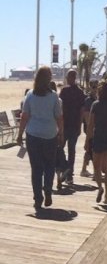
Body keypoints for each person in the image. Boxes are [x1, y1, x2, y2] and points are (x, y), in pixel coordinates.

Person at [16, 66, 63, 213]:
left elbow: (24, 116)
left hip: (33, 135)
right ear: (48, 79)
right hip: (50, 135)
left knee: (36, 168)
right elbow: (59, 117)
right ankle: (48, 190)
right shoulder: (54, 96)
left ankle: (38, 199)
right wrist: (61, 134)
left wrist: (19, 134)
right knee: (49, 165)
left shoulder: (30, 95)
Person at [58, 68, 86, 184]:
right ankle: (67, 171)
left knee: (63, 149)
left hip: (68, 125)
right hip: (70, 125)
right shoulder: (79, 92)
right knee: (67, 149)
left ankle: (67, 172)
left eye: (69, 77)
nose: (68, 79)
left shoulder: (65, 91)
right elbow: (81, 111)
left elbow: (62, 109)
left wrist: (79, 126)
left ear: (73, 78)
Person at [80, 79, 98, 177]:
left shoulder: (96, 99)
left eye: (97, 87)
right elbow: (86, 116)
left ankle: (84, 169)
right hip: (90, 128)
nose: (95, 89)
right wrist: (91, 129)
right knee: (92, 149)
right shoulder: (88, 100)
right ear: (90, 87)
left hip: (96, 128)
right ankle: (95, 171)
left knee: (90, 149)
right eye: (94, 87)